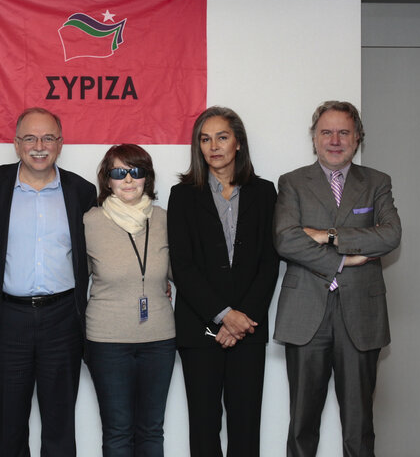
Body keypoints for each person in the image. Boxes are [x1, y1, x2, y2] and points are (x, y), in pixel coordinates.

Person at [273, 101, 401, 457]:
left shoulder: (377, 182)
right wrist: (344, 260)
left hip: (361, 315)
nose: (334, 140)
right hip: (306, 314)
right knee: (301, 426)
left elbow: (390, 235)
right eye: (326, 132)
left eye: (343, 132)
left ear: (357, 137)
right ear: (314, 138)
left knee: (359, 428)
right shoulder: (292, 182)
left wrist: (329, 236)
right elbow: (286, 240)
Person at [0, 108, 96, 457]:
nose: (39, 146)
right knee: (10, 423)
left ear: (60, 143)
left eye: (48, 138)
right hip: (8, 320)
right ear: (16, 143)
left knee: (60, 425)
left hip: (62, 321)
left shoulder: (81, 191)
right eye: (30, 138)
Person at [167, 106, 279, 457]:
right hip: (199, 330)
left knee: (246, 429)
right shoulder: (183, 195)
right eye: (205, 139)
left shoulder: (264, 192)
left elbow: (269, 262)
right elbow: (182, 267)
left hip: (248, 327)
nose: (213, 146)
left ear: (238, 144)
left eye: (222, 137)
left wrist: (239, 319)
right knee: (204, 429)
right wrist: (222, 315)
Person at [84, 144, 175, 457]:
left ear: (146, 178)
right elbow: (75, 279)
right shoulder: (89, 222)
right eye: (118, 172)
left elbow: (183, 273)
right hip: (107, 342)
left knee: (151, 431)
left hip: (160, 340)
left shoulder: (166, 219)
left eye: (135, 172)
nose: (127, 179)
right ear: (107, 180)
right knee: (118, 432)